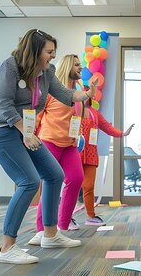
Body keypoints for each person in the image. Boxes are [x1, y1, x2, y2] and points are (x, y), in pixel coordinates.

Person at [0, 32, 97, 265]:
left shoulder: (46, 72)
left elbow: (65, 93)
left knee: (54, 174)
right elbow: (3, 104)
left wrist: (86, 94)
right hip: (2, 130)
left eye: (54, 52)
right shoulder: (10, 67)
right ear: (34, 50)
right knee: (28, 181)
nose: (52, 56)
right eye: (49, 52)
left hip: (24, 130)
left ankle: (50, 235)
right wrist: (25, 132)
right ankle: (6, 247)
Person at [26, 54, 101, 245]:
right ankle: (41, 230)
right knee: (50, 184)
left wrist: (77, 136)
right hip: (50, 142)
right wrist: (29, 137)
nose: (81, 67)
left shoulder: (78, 92)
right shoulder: (50, 91)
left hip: (69, 145)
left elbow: (78, 119)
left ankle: (61, 228)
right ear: (68, 66)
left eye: (81, 64)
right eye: (77, 64)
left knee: (76, 179)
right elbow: (37, 115)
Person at [79, 95, 134, 226]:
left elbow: (107, 128)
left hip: (91, 155)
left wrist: (123, 133)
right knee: (73, 187)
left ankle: (90, 216)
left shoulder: (94, 113)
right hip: (75, 153)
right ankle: (66, 218)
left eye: (88, 93)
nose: (86, 96)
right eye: (84, 92)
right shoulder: (71, 110)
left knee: (89, 186)